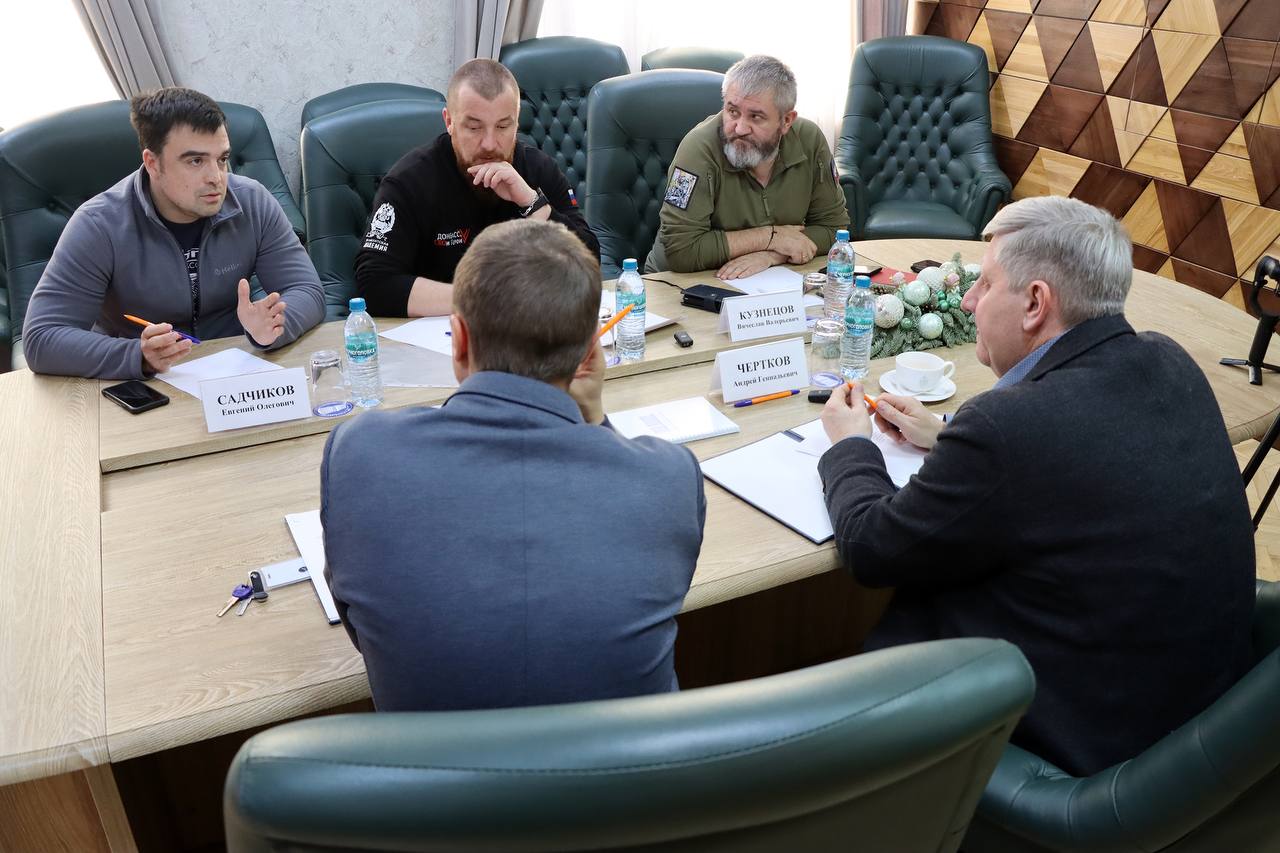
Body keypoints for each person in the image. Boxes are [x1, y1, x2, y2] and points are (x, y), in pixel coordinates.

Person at [816, 196, 1256, 777]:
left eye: (985, 284)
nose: (968, 301)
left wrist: (850, 445)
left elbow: (872, 548)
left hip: (1080, 747)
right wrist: (945, 435)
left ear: (1034, 304)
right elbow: (1083, 451)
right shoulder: (1169, 361)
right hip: (1198, 726)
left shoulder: (1008, 426)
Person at [323, 218, 705, 711]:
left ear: (459, 341)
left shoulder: (359, 453)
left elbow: (369, 635)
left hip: (431, 761)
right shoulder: (669, 478)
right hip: (623, 761)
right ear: (590, 352)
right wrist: (593, 419)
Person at [22, 87, 324, 380]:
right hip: (143, 382)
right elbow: (42, 338)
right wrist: (137, 356)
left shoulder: (252, 201)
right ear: (153, 163)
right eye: (195, 161)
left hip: (236, 370)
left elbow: (306, 290)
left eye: (221, 159)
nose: (216, 178)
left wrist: (271, 328)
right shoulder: (98, 224)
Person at [354, 59, 599, 318]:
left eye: (503, 126)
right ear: (449, 121)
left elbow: (590, 259)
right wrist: (483, 298)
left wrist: (533, 204)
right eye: (474, 127)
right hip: (444, 330)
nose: (489, 144)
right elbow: (373, 283)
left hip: (527, 329)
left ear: (517, 123)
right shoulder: (409, 181)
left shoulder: (538, 170)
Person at [646, 54, 848, 279]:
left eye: (756, 117)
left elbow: (835, 229)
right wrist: (771, 237)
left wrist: (771, 256)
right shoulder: (696, 149)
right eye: (733, 112)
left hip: (764, 278)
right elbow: (681, 250)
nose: (740, 128)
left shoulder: (809, 141)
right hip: (673, 281)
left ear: (786, 121)